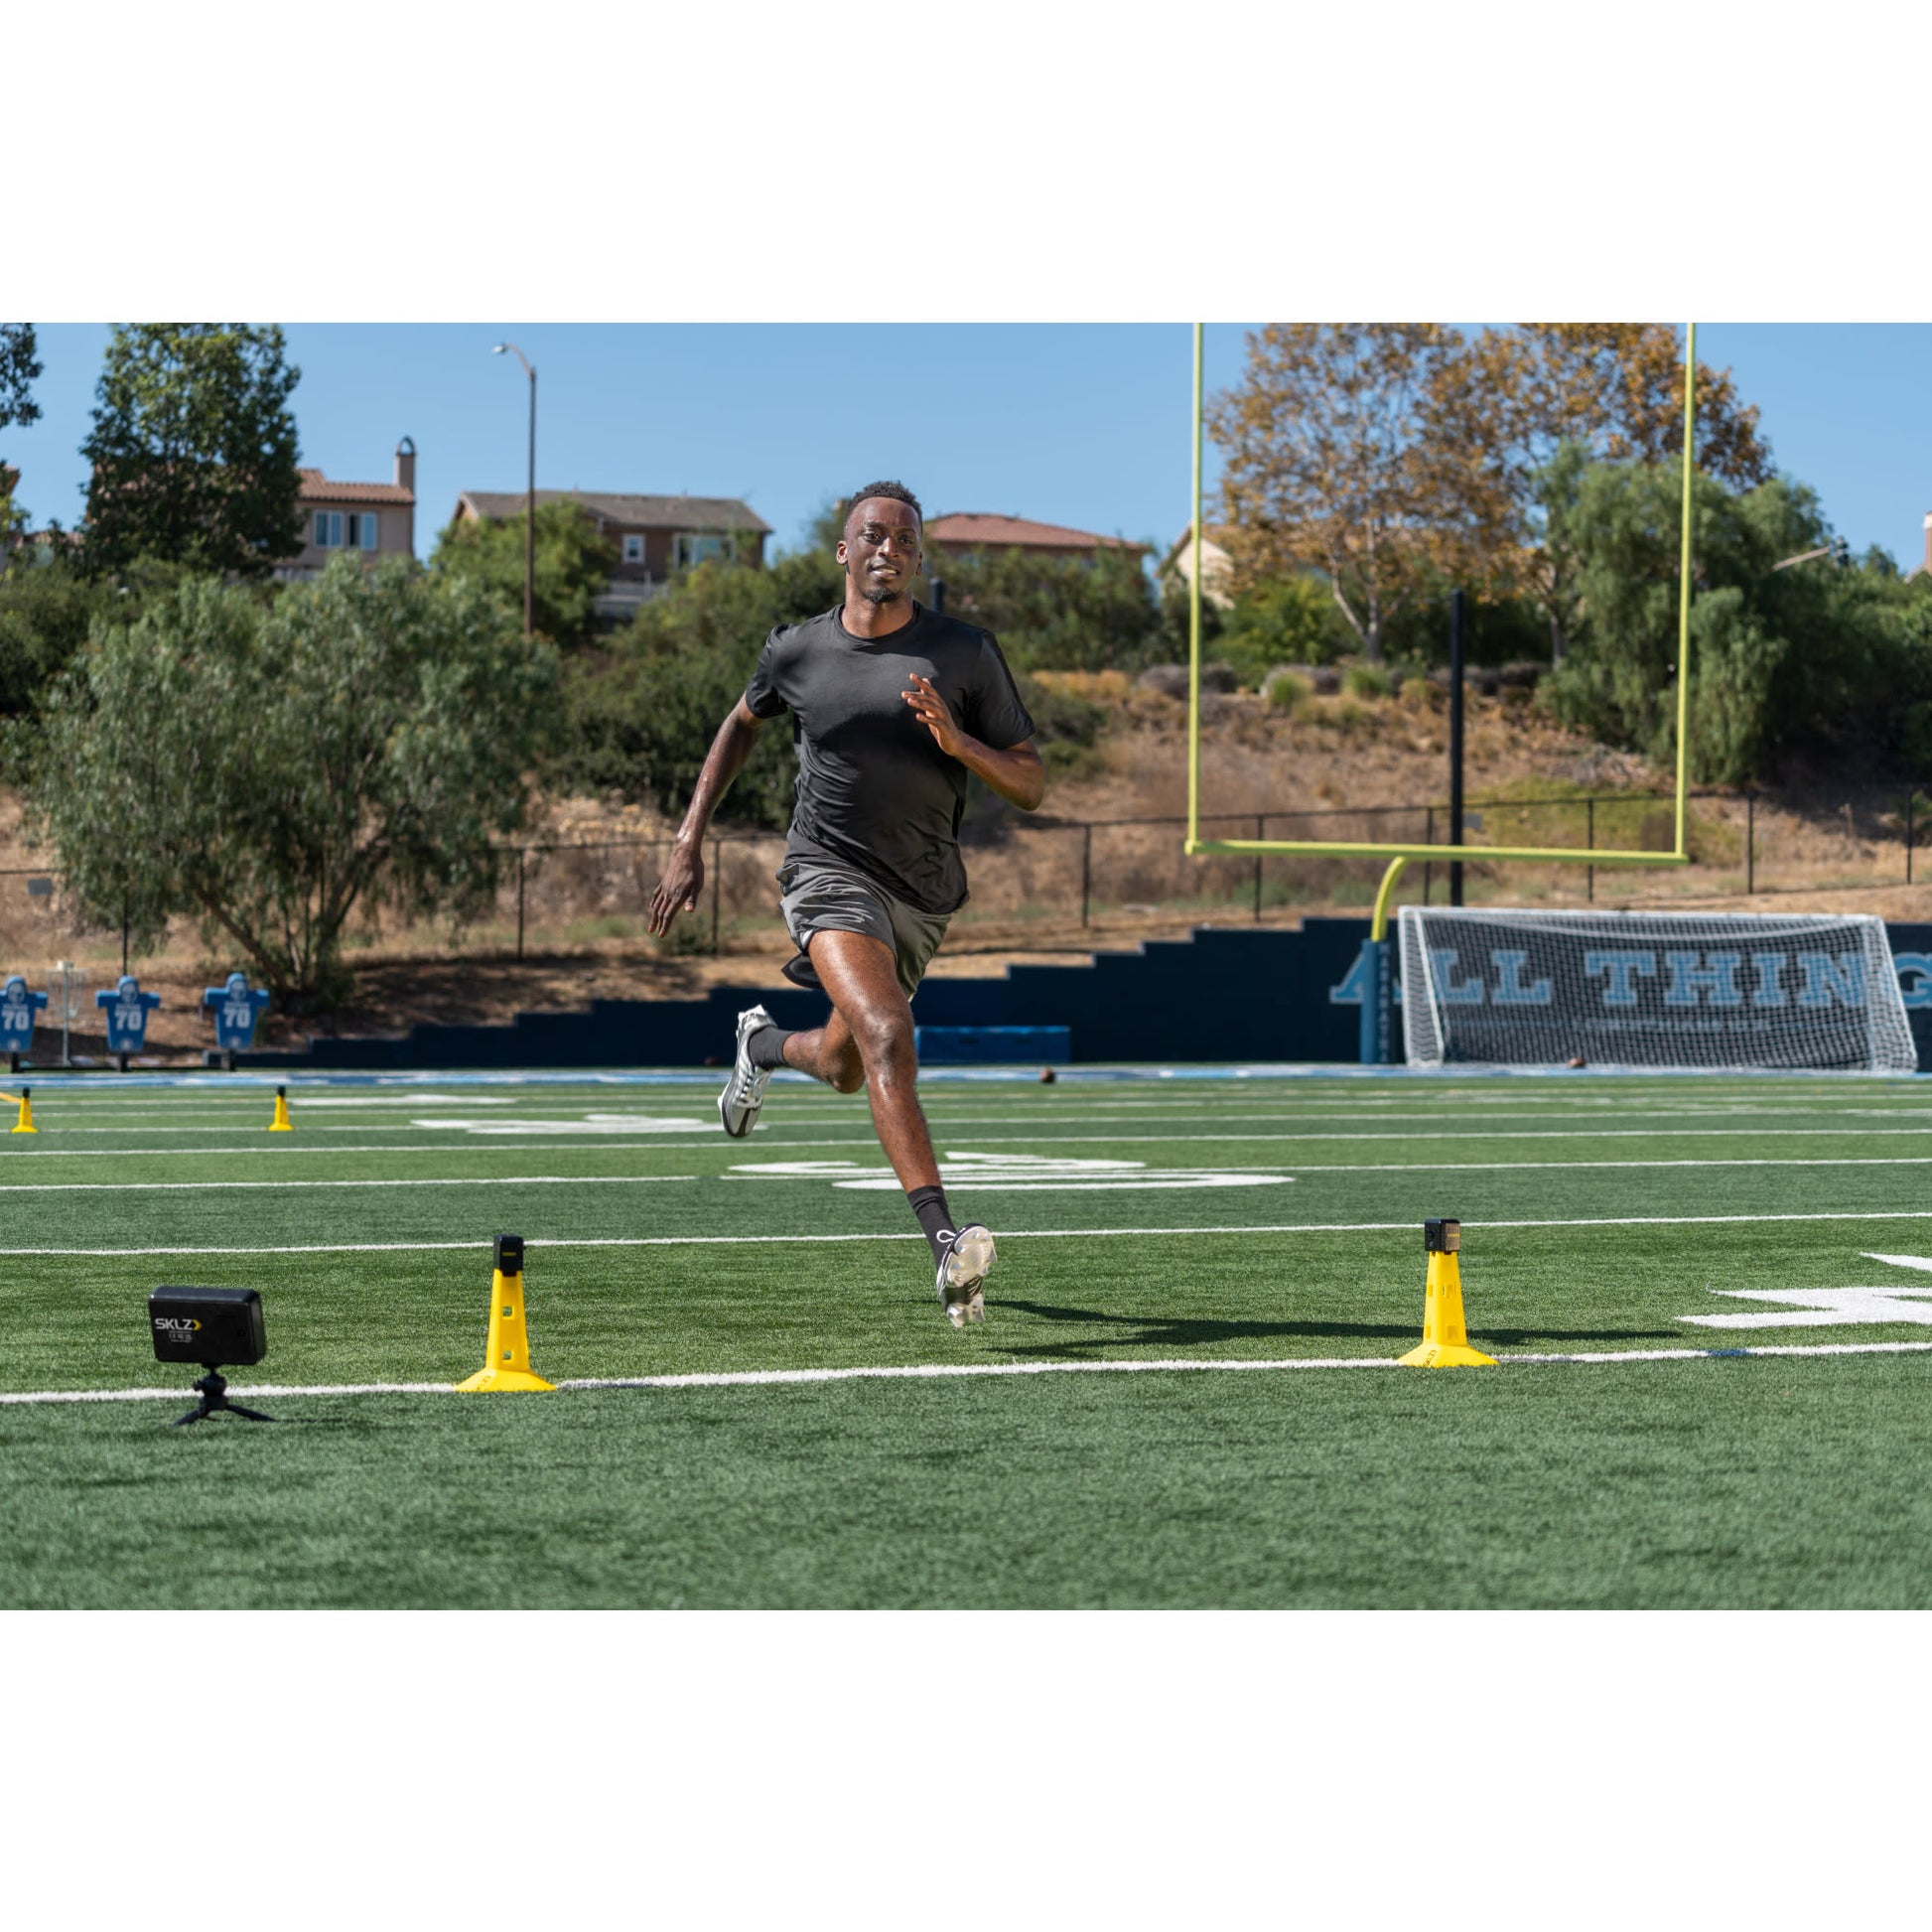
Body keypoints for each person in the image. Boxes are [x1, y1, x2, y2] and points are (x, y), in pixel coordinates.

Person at [648, 482, 1045, 1327]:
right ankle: (946, 1245)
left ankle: (761, 1041)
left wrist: (957, 742)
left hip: (923, 893)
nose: (886, 550)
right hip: (825, 871)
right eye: (872, 535)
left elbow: (1032, 782)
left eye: (904, 539)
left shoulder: (965, 654)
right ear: (842, 550)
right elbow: (739, 724)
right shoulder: (796, 651)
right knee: (889, 1030)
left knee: (842, 1061)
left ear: (917, 558)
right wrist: (689, 840)